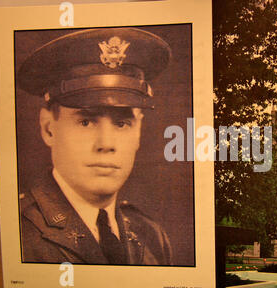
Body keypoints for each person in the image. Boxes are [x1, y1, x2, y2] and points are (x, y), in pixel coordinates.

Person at [17, 27, 173, 265]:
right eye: (86, 121)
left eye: (122, 123)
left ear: (139, 131)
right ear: (48, 128)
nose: (106, 144)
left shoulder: (152, 236)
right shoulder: (17, 233)